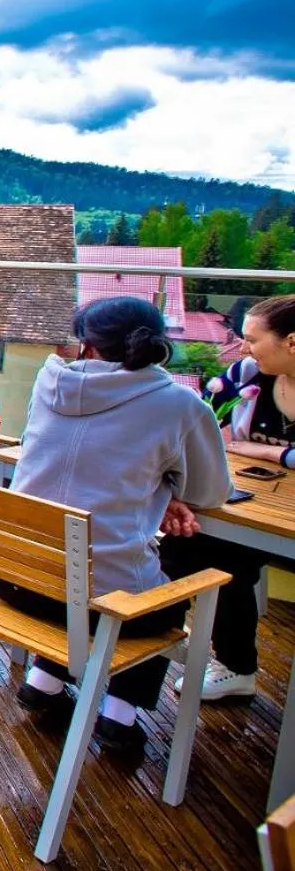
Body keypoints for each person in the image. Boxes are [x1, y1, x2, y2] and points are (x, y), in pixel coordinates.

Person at [0, 296, 230, 752]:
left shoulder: (49, 381)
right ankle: (121, 713)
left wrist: (160, 493)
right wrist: (169, 491)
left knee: (73, 556)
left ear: (87, 345)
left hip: (13, 578)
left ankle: (44, 680)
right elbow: (209, 493)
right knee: (164, 578)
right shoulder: (179, 405)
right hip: (92, 605)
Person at [161, 293, 295, 701]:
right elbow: (207, 426)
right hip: (258, 503)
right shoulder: (246, 375)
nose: (241, 347)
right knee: (187, 543)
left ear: (292, 342)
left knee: (226, 556)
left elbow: (237, 444)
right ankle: (226, 662)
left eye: (252, 339)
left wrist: (264, 451)